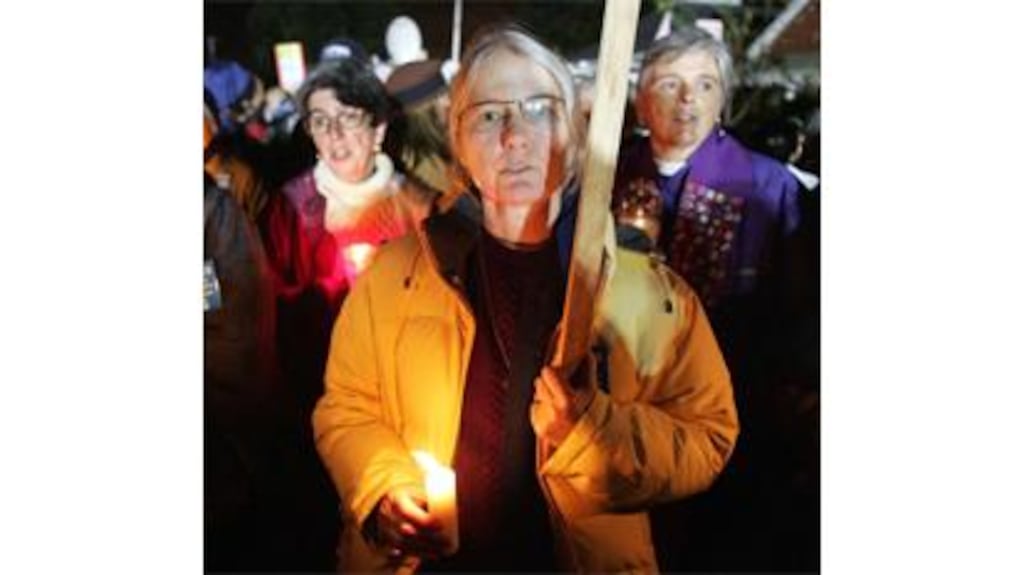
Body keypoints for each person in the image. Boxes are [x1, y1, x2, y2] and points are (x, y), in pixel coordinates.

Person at [312, 26, 739, 573]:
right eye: (489, 115)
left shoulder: (647, 294)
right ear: (459, 140)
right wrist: (383, 488)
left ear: (575, 130)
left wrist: (595, 432)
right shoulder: (396, 275)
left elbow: (707, 434)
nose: (515, 136)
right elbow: (346, 406)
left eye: (539, 108)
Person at [613, 26, 811, 571]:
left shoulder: (769, 190)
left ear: (723, 99)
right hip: (622, 414)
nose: (687, 100)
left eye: (704, 85)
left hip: (731, 412)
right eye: (671, 83)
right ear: (641, 98)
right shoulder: (605, 179)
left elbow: (796, 311)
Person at [258, 56, 436, 571]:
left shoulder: (419, 206)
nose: (335, 135)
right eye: (320, 121)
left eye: (349, 118)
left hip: (407, 401)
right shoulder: (291, 208)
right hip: (322, 399)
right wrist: (331, 292)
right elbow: (274, 308)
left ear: (378, 127)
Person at [384, 58, 454, 197]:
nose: (450, 103)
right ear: (423, 113)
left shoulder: (445, 147)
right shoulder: (416, 173)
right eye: (442, 97)